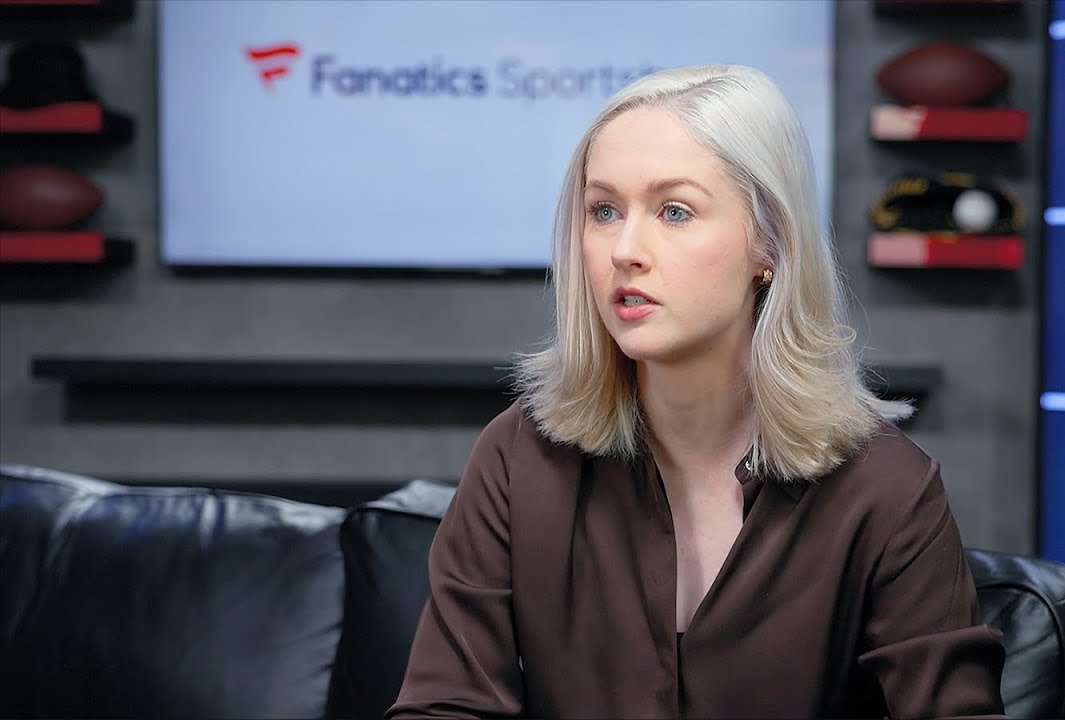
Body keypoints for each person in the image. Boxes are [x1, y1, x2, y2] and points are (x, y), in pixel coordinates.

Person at [387, 64, 1007, 719]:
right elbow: (443, 706)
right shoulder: (517, 459)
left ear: (769, 243)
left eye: (674, 211)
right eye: (603, 210)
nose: (625, 248)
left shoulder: (886, 489)